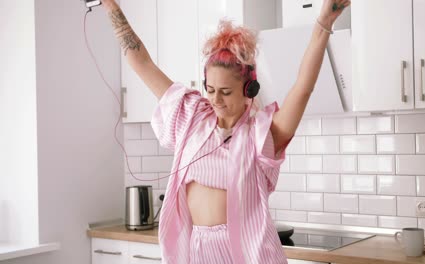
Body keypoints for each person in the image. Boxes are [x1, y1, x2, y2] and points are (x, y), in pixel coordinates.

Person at [101, 0, 350, 263]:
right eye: (210, 90)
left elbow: (303, 88)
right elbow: (142, 63)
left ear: (248, 90)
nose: (216, 100)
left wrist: (323, 23)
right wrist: (110, 6)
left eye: (226, 92)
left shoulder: (262, 135)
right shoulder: (192, 117)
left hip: (246, 254)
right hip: (197, 251)